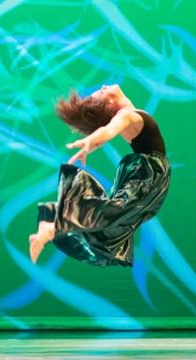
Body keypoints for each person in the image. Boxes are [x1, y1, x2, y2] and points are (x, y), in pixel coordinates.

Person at [29, 84, 170, 266]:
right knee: (117, 213)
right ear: (111, 105)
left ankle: (52, 224)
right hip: (150, 172)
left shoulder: (128, 114)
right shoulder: (126, 115)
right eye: (102, 93)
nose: (103, 86)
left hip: (148, 171)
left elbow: (107, 132)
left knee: (118, 218)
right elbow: (108, 131)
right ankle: (52, 226)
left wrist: (92, 144)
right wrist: (90, 141)